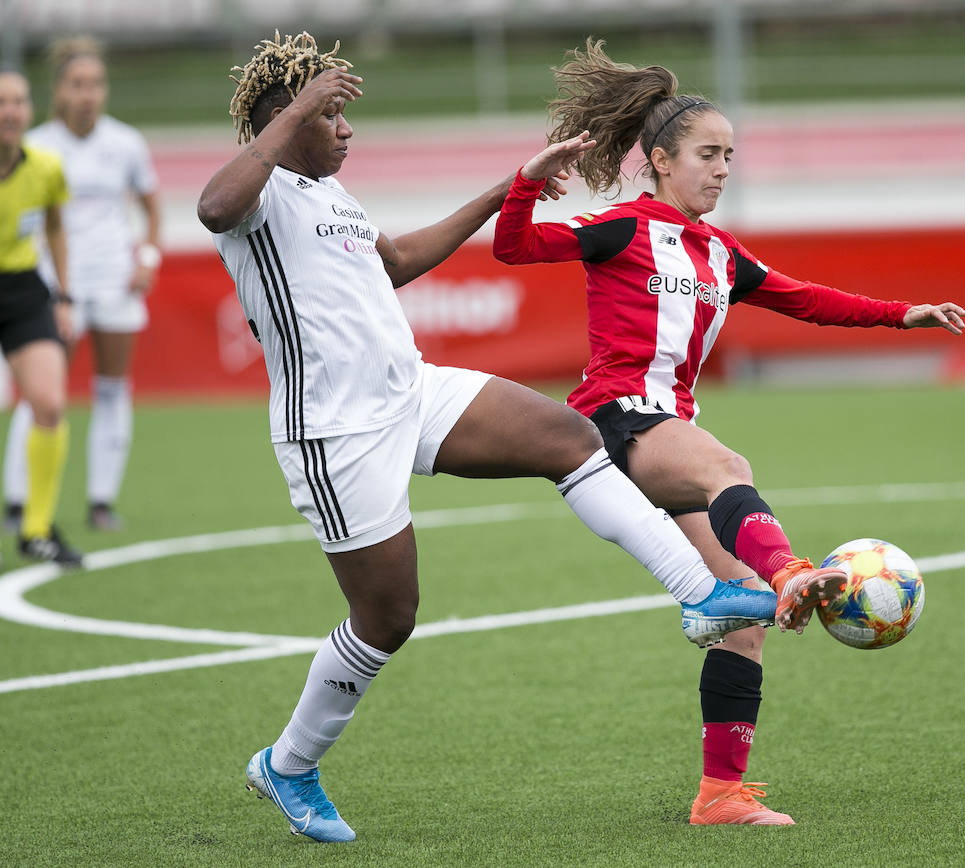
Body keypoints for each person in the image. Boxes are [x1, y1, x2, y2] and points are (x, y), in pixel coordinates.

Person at [196, 32, 777, 844]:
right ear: (287, 123)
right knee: (387, 616)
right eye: (333, 116)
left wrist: (512, 186)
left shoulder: (330, 196)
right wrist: (295, 111)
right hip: (335, 432)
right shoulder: (256, 196)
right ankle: (289, 764)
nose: (347, 130)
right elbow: (212, 206)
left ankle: (701, 592)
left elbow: (395, 262)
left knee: (569, 436)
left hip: (411, 391)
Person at [493, 39, 965, 825]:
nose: (721, 169)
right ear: (659, 161)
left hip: (665, 429)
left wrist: (901, 313)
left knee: (742, 617)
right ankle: (789, 572)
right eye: (707, 154)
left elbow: (808, 299)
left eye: (730, 156)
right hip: (614, 420)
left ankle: (720, 793)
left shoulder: (720, 253)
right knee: (729, 466)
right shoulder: (620, 227)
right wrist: (527, 182)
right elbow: (515, 247)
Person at [3, 37, 161, 534]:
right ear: (58, 91)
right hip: (54, 286)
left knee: (112, 388)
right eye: (77, 85)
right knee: (43, 392)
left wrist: (148, 257)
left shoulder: (126, 143)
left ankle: (100, 500)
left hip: (115, 281)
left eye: (96, 84)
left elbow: (152, 209)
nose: (87, 94)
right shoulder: (38, 147)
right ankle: (18, 499)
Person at [0, 70, 83, 567]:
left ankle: (36, 529)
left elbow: (55, 225)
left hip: (24, 290)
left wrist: (64, 295)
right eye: (0, 102)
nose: (9, 111)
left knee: (49, 404)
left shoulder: (47, 168)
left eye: (18, 101)